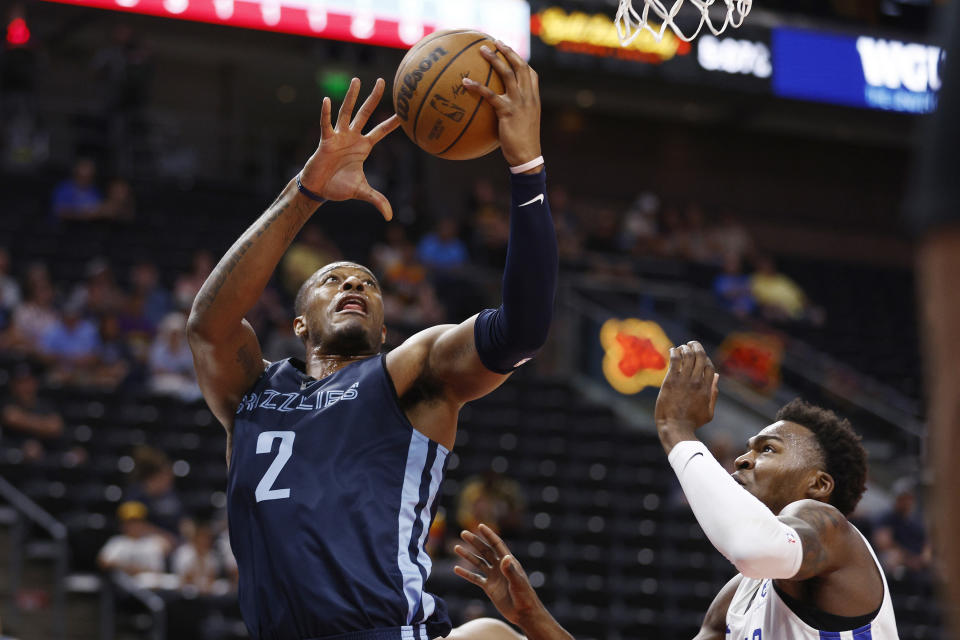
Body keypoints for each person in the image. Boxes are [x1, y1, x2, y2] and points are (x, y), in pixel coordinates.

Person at [186, 41, 556, 640]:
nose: (354, 281)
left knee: (486, 635)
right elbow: (208, 323)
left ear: (384, 331)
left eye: (368, 282)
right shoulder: (252, 394)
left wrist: (526, 170)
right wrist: (305, 191)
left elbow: (524, 329)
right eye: (333, 279)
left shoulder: (408, 374)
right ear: (300, 322)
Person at [457, 342, 899, 640]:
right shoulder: (738, 597)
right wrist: (533, 618)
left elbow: (749, 545)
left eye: (767, 449)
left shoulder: (832, 532)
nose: (743, 460)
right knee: (485, 635)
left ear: (819, 484)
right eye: (746, 449)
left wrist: (677, 429)